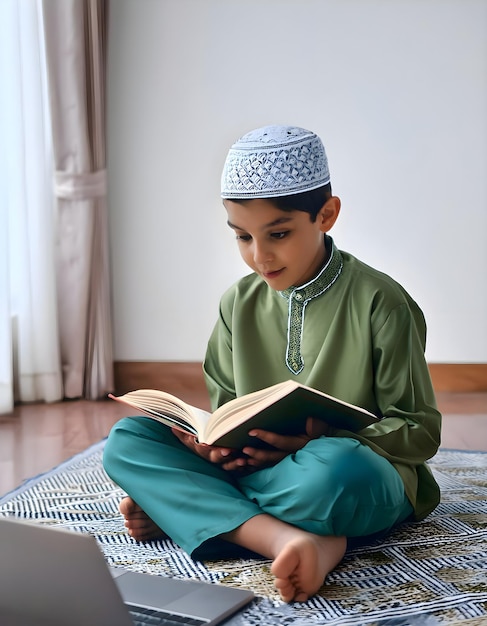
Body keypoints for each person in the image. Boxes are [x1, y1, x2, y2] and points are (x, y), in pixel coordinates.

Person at [103, 125, 441, 603]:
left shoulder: (380, 302)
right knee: (127, 442)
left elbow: (419, 432)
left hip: (337, 474)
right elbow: (227, 415)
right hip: (259, 472)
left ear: (326, 215)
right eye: (242, 237)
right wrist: (212, 449)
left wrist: (319, 439)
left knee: (338, 471)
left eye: (278, 234)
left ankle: (196, 511)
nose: (259, 257)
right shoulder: (237, 303)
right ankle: (293, 538)